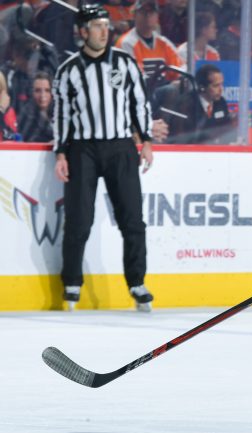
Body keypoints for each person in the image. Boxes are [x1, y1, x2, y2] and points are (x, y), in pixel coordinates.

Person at [53, 5, 155, 311]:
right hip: (82, 149)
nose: (104, 31)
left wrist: (146, 140)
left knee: (132, 219)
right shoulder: (68, 70)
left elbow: (139, 103)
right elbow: (62, 115)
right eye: (97, 26)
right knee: (78, 220)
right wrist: (61, 152)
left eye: (106, 25)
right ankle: (72, 283)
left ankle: (137, 283)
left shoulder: (125, 63)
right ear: (83, 31)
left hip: (121, 147)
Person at [115, 0, 184, 84]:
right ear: (134, 16)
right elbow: (136, 79)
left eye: (152, 12)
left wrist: (180, 80)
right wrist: (169, 85)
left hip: (162, 88)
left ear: (157, 16)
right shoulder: (126, 43)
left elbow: (181, 68)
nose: (148, 16)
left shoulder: (164, 43)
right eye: (143, 12)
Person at [168, 64, 234, 144]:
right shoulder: (185, 104)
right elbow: (181, 137)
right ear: (202, 87)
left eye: (221, 84)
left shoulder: (221, 102)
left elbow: (226, 130)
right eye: (216, 86)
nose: (221, 89)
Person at [18, 71, 54, 143]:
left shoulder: (58, 112)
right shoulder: (25, 114)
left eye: (47, 90)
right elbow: (28, 142)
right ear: (31, 92)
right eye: (38, 91)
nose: (42, 95)